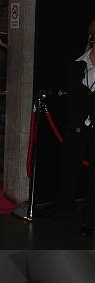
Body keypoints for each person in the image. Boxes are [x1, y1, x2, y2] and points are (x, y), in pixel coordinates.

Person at [57, 19, 95, 237]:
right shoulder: (77, 65)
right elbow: (71, 98)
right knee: (69, 169)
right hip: (78, 128)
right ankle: (64, 209)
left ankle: (88, 220)